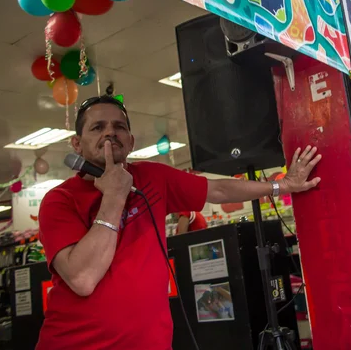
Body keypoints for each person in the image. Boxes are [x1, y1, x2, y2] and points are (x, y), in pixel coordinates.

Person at [36, 95, 321, 350]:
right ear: (77, 143)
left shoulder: (152, 177)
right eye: (97, 127)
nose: (110, 132)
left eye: (119, 126)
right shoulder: (59, 200)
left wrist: (282, 186)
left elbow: (218, 190)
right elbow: (82, 279)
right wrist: (113, 195)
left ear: (131, 141)